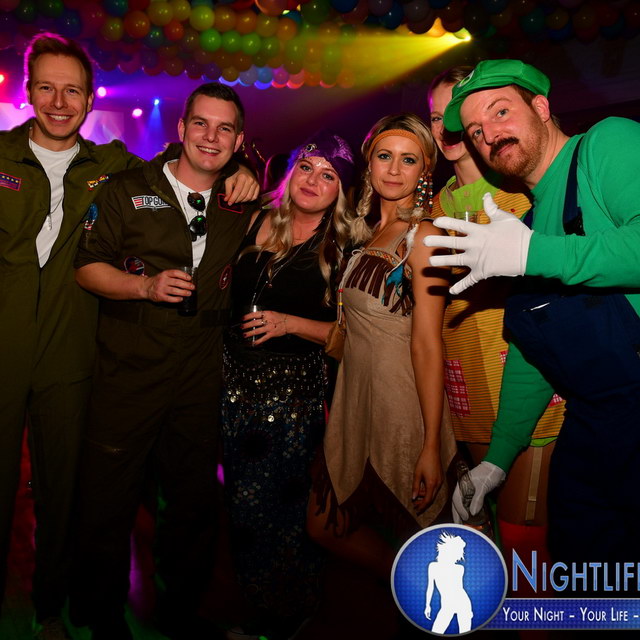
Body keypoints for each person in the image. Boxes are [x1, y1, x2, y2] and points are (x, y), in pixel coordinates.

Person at [424, 59, 640, 584]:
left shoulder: (605, 145)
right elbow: (534, 351)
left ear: (541, 107)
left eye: (500, 112)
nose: (489, 135)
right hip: (595, 428)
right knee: (587, 582)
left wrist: (533, 255)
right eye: (476, 131)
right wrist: (497, 460)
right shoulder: (523, 223)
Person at [71, 82, 259, 640]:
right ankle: (101, 614)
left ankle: (180, 612)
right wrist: (145, 286)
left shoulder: (241, 200)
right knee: (108, 498)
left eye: (225, 129)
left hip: (199, 370)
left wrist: (249, 175)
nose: (211, 137)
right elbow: (86, 266)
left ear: (239, 141)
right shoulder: (128, 190)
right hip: (130, 365)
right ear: (181, 128)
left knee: (192, 502)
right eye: (201, 123)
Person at [221, 131, 359, 639]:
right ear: (292, 171)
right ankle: (261, 602)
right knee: (241, 505)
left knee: (284, 507)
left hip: (293, 397)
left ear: (341, 190)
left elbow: (354, 337)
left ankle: (290, 610)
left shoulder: (345, 246)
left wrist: (289, 324)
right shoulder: (255, 218)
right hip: (231, 387)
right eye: (307, 167)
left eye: (329, 176)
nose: (313, 181)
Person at [307, 114, 457, 580]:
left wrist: (430, 444)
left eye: (408, 160)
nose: (394, 170)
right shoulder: (367, 233)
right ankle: (406, 584)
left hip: (403, 410)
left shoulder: (425, 236)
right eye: (384, 156)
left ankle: (418, 594)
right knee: (322, 524)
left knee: (430, 540)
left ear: (425, 170)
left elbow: (428, 344)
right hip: (356, 404)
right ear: (368, 163)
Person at [428, 67, 564, 574]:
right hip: (468, 387)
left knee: (526, 537)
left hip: (527, 377)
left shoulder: (524, 189)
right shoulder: (435, 206)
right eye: (436, 118)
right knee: (490, 536)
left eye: (455, 116)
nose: (445, 129)